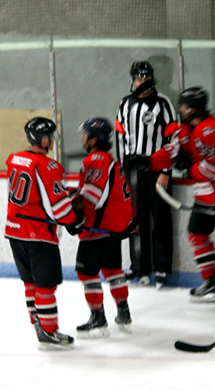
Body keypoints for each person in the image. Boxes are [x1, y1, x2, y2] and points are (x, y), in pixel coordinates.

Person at [145, 87, 215, 302]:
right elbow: (171, 151)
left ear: (192, 108)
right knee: (196, 234)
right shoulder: (185, 129)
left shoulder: (211, 128)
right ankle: (212, 282)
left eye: (183, 105)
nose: (180, 109)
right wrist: (147, 162)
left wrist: (188, 168)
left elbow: (213, 169)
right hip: (205, 197)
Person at [5, 117, 82, 350]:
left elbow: (29, 194)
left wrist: (61, 192)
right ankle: (48, 332)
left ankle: (38, 322)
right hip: (38, 234)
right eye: (50, 135)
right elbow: (56, 207)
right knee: (46, 285)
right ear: (41, 138)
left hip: (14, 229)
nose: (52, 140)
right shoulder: (48, 166)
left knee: (29, 281)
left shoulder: (14, 159)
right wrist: (73, 221)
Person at [72, 118, 137, 338]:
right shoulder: (109, 159)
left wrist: (70, 204)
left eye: (85, 135)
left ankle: (98, 319)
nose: (82, 138)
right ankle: (123, 312)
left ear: (93, 139)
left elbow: (93, 196)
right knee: (112, 270)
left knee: (86, 272)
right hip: (112, 228)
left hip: (97, 229)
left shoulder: (95, 159)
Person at [116, 61, 176, 289]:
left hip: (156, 171)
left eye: (146, 77)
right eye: (138, 78)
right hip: (133, 171)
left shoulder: (164, 103)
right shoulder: (125, 104)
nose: (142, 81)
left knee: (160, 218)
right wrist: (123, 168)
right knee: (135, 220)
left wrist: (165, 170)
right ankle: (139, 266)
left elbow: (172, 139)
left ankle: (161, 267)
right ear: (133, 80)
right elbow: (120, 136)